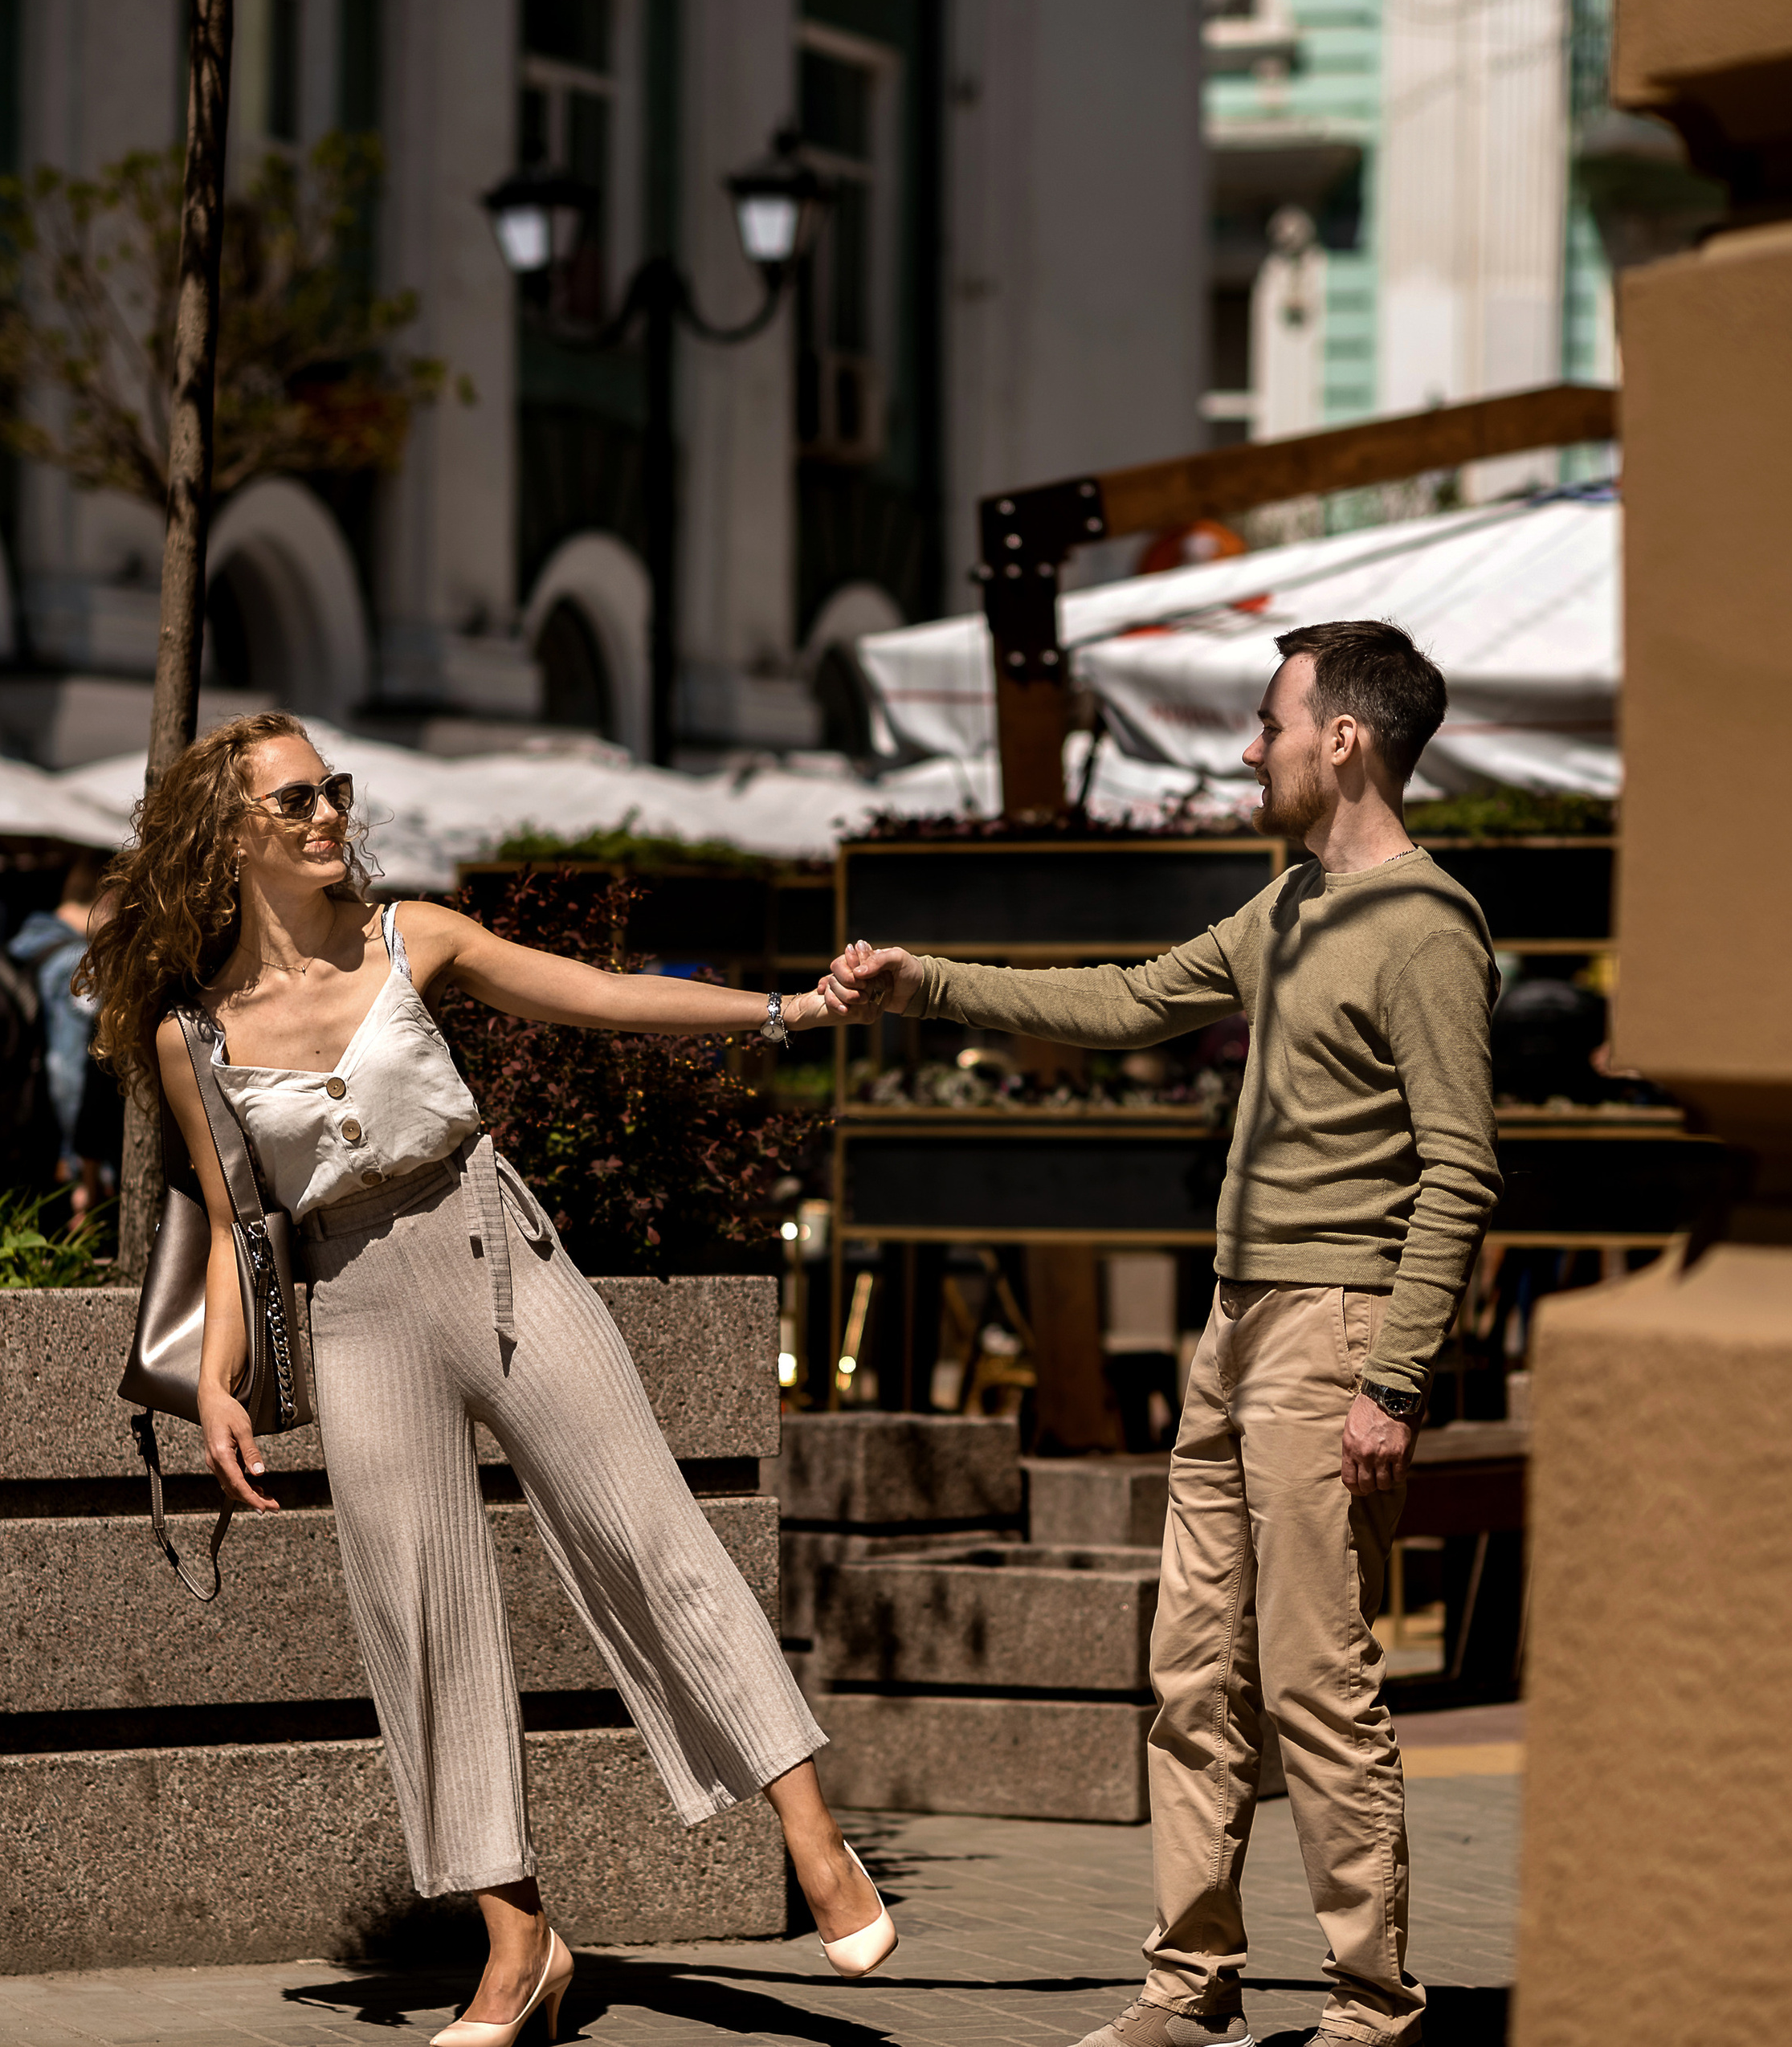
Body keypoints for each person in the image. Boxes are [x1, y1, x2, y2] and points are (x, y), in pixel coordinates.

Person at [80, 713, 895, 2047]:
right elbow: (236, 1225)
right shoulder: (195, 1035)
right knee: (421, 1614)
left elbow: (605, 994)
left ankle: (811, 1839)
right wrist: (216, 1384)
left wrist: (787, 1007)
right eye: (292, 803)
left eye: (330, 790)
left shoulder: (417, 936)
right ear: (228, 836)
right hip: (355, 1311)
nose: (325, 816)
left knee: (651, 1536)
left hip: (496, 1254)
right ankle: (520, 1945)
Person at [831, 621, 1501, 2047]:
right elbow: (1132, 1000)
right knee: (1193, 1673)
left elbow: (1461, 1166)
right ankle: (1187, 1990)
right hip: (1235, 1326)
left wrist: (1392, 1381)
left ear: (1345, 741)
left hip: (1336, 1327)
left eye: (1270, 723)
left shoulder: (1427, 931)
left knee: (1320, 1683)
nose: (1248, 750)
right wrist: (926, 983)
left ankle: (1372, 2004)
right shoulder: (1293, 907)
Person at [8, 850, 112, 1221]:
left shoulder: (26, 944)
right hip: (61, 1161)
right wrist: (81, 1166)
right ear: (109, 898)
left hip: (20, 1140)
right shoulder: (76, 961)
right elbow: (68, 1071)